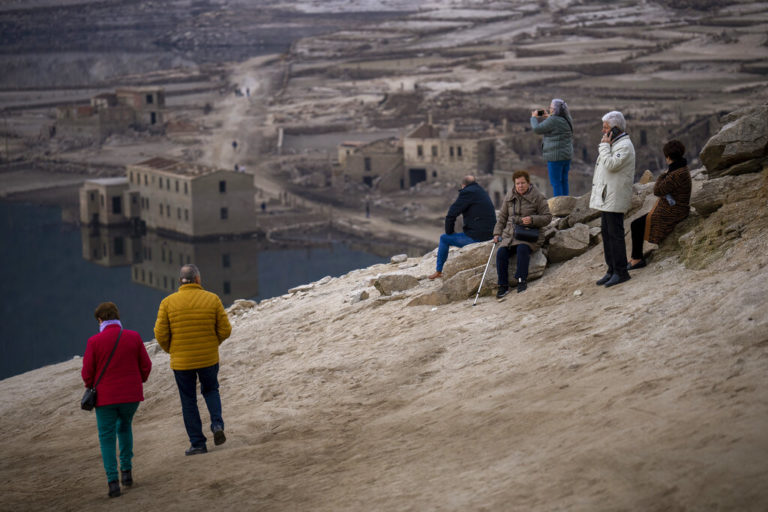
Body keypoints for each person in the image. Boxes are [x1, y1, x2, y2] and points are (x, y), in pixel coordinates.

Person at [155, 264, 232, 456]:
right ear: (197, 279)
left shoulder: (167, 303)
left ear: (179, 281)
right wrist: (212, 344)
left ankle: (197, 443)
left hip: (182, 362)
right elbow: (225, 330)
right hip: (208, 358)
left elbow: (160, 334)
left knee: (188, 400)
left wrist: (172, 350)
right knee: (211, 390)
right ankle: (216, 425)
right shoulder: (212, 299)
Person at [82, 302, 152, 498]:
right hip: (131, 397)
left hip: (105, 399)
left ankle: (113, 482)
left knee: (107, 437)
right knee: (125, 426)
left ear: (100, 320)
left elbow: (87, 373)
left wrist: (91, 385)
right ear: (117, 317)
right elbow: (146, 366)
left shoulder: (94, 342)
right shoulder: (134, 337)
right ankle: (127, 473)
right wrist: (138, 380)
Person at [628, 140, 692, 270]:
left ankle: (636, 259)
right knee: (638, 224)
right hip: (674, 208)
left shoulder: (676, 174)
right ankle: (636, 257)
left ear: (668, 157)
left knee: (636, 225)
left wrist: (663, 174)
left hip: (673, 211)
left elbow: (657, 190)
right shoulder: (682, 169)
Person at [590, 110, 636, 288]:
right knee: (607, 235)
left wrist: (603, 147)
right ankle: (611, 270)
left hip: (615, 197)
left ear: (615, 129)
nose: (603, 131)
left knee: (615, 236)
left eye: (606, 127)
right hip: (607, 196)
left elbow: (610, 165)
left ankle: (621, 272)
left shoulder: (624, 146)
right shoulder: (614, 143)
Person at [493, 170, 552, 298]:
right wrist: (497, 233)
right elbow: (502, 217)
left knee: (522, 249)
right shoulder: (509, 196)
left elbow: (547, 217)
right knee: (501, 253)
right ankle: (503, 285)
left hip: (529, 234)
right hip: (511, 234)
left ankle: (521, 280)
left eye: (523, 183)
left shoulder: (538, 196)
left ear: (528, 182)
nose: (520, 186)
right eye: (517, 183)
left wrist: (532, 220)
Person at [429, 175, 496, 280]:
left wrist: (449, 232)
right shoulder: (480, 191)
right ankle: (439, 270)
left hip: (478, 237)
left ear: (463, 185)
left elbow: (451, 214)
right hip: (490, 233)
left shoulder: (467, 192)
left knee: (444, 238)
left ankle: (439, 271)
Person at [531, 99, 574, 197]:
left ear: (555, 110)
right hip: (566, 155)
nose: (549, 109)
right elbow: (557, 124)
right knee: (564, 180)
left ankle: (559, 205)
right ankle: (566, 202)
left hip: (555, 156)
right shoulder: (567, 118)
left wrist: (533, 118)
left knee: (555, 182)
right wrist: (549, 116)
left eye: (550, 108)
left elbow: (537, 129)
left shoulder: (553, 120)